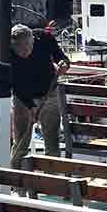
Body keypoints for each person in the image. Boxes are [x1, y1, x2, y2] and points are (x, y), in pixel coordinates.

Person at [9, 24, 70, 169]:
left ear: (33, 40)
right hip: (22, 99)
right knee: (21, 143)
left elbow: (62, 57)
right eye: (19, 48)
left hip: (49, 93)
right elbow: (15, 86)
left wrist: (64, 65)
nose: (23, 52)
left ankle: (52, 178)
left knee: (52, 143)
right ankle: (16, 178)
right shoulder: (7, 52)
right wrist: (30, 106)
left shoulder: (44, 38)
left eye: (27, 47)